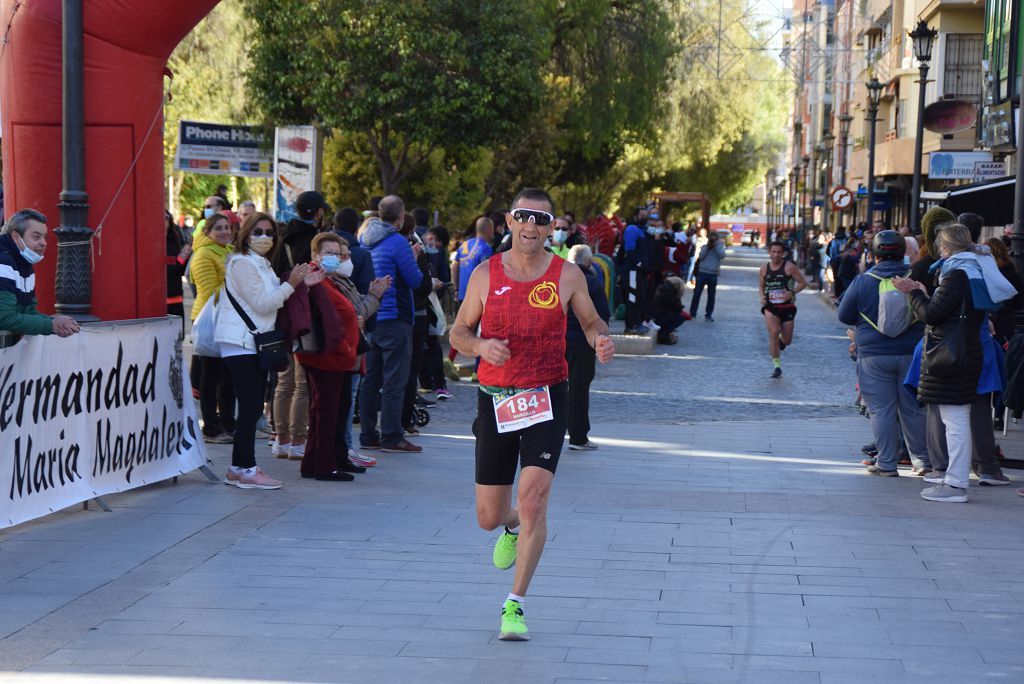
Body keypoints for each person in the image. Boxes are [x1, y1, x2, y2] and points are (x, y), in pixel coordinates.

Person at [450, 187, 614, 641]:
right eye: (525, 216)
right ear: (509, 220)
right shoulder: (484, 274)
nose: (532, 226)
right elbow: (459, 331)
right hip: (496, 398)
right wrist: (481, 345)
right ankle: (510, 525)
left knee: (536, 498)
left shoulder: (567, 275)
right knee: (489, 515)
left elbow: (591, 320)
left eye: (543, 220)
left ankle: (515, 604)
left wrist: (601, 337)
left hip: (546, 396)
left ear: (553, 227)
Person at [215, 212, 323, 489]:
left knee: (251, 408)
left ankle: (239, 467)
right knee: (251, 407)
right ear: (246, 234)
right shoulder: (242, 264)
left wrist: (300, 285)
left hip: (251, 341)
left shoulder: (261, 264)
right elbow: (265, 303)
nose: (264, 237)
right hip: (239, 341)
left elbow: (277, 297)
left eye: (269, 232)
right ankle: (247, 468)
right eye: (258, 232)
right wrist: (292, 284)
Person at [893, 225, 992, 502]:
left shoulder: (956, 274)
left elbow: (933, 314)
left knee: (955, 421)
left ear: (945, 247)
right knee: (956, 419)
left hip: (953, 354)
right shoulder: (971, 270)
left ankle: (956, 484)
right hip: (965, 350)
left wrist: (913, 292)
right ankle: (954, 481)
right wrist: (924, 292)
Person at [837, 231, 930, 476]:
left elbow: (844, 315)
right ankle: (921, 462)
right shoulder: (915, 278)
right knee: (913, 409)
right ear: (903, 253)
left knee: (882, 410)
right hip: (912, 352)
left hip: (874, 355)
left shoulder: (864, 281)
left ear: (874, 254)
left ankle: (887, 463)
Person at [358, 195, 436, 453]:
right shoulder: (397, 243)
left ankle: (368, 434)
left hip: (370, 317)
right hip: (395, 318)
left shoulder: (364, 240)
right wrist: (415, 259)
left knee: (370, 379)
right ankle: (392, 435)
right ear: (401, 217)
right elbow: (415, 281)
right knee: (395, 380)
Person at [295, 233, 362, 481]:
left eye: (337, 253)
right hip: (327, 355)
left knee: (323, 410)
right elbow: (330, 318)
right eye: (328, 253)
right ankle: (323, 464)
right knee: (326, 411)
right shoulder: (315, 279)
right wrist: (344, 347)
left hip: (334, 355)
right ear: (315, 255)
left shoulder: (327, 279)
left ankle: (314, 461)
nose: (334, 257)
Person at [270, 190, 330, 461]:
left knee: (283, 381)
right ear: (318, 213)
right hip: (305, 315)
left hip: (282, 311)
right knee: (302, 383)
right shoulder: (314, 243)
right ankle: (297, 440)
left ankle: (280, 440)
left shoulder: (281, 238)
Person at [325, 236, 389, 469]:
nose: (347, 259)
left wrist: (371, 294)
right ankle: (342, 449)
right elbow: (355, 313)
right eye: (341, 255)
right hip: (341, 351)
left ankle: (344, 448)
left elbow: (358, 312)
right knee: (341, 402)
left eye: (347, 255)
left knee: (347, 400)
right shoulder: (332, 282)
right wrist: (374, 296)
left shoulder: (345, 281)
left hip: (351, 350)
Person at [190, 212, 236, 444]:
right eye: (218, 228)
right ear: (207, 232)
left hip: (230, 320)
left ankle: (228, 423)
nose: (225, 231)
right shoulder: (203, 255)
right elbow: (209, 292)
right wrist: (238, 285)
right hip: (209, 320)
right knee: (210, 377)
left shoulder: (230, 252)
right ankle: (211, 427)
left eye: (227, 227)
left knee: (229, 376)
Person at [0, 209, 79, 341]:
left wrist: (53, 321)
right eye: (36, 236)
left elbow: (28, 311)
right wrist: (50, 325)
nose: (44, 243)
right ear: (16, 237)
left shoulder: (24, 264)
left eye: (45, 237)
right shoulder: (3, 262)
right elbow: (4, 318)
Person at [565, 245, 610, 450]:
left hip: (557, 340)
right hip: (582, 342)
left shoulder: (558, 280)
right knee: (579, 389)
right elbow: (601, 317)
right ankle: (578, 437)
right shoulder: (592, 283)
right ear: (589, 262)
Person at [446, 216, 494, 375]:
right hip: (479, 296)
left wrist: (456, 288)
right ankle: (477, 371)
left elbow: (455, 266)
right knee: (482, 331)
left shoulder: (464, 246)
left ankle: (449, 359)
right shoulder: (486, 248)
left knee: (463, 328)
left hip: (462, 294)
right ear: (488, 230)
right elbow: (486, 271)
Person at [760, 240, 808, 378]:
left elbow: (803, 282)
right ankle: (777, 366)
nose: (775, 255)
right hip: (771, 306)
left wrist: (792, 293)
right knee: (774, 332)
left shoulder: (789, 267)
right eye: (773, 252)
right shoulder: (764, 269)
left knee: (787, 341)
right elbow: (761, 286)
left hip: (787, 307)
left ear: (783, 253)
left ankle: (781, 343)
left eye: (779, 252)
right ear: (769, 253)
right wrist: (762, 297)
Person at [689, 230, 726, 321]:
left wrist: (716, 246)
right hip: (702, 273)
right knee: (697, 294)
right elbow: (701, 257)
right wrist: (708, 247)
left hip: (713, 274)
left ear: (717, 239)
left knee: (711, 296)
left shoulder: (720, 247)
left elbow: (722, 255)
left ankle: (708, 315)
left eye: (714, 239)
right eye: (711, 238)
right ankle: (692, 313)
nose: (712, 240)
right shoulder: (705, 246)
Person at [620, 222, 648, 334]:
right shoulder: (632, 229)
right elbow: (629, 249)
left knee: (638, 297)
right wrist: (638, 263)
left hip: (637, 271)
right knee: (633, 297)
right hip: (632, 271)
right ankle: (631, 325)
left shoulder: (643, 231)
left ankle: (636, 323)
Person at [651, 276, 689, 345]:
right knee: (680, 318)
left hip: (656, 315)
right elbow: (678, 308)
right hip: (659, 317)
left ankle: (665, 333)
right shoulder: (670, 293)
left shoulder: (664, 289)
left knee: (673, 315)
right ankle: (664, 334)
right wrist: (678, 297)